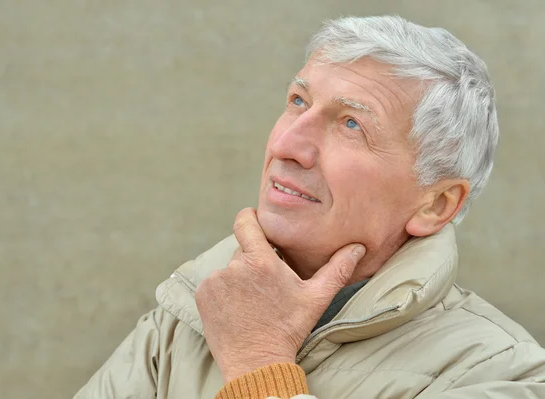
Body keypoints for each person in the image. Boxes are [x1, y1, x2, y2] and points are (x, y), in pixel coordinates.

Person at [74, 15, 545, 399]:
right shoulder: (185, 319)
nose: (286, 143)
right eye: (298, 101)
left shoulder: (499, 374)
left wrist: (258, 364)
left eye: (351, 125)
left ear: (436, 204)